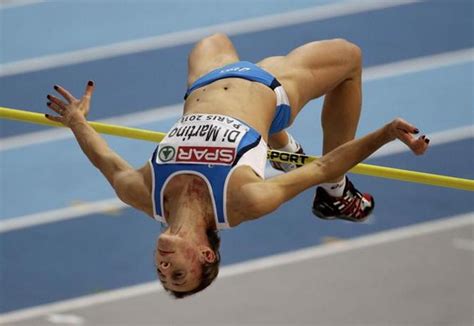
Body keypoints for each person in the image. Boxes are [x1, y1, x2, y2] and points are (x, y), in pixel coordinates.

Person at [45, 33, 429, 298]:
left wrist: (78, 121)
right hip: (271, 89)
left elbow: (107, 162)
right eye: (177, 273)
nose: (164, 268)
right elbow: (324, 165)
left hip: (207, 82)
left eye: (161, 274)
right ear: (206, 255)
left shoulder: (145, 194)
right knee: (350, 57)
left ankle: (279, 144)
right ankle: (334, 197)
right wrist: (386, 132)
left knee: (212, 39)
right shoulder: (244, 201)